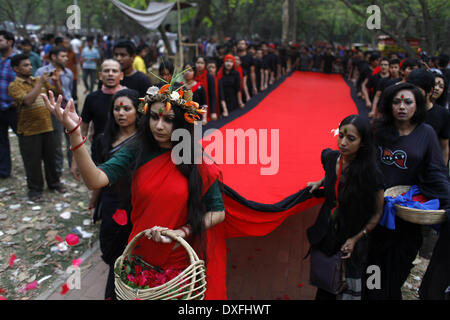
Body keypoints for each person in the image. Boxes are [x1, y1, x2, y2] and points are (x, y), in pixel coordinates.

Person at [41, 83, 226, 300]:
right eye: (154, 117)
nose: (159, 126)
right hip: (138, 256)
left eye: (168, 120)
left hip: (179, 260)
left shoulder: (196, 159)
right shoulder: (137, 149)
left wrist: (182, 232)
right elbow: (95, 180)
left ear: (183, 123)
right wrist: (74, 133)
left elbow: (218, 211)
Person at [365, 82, 450, 300]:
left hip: (406, 218)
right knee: (372, 270)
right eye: (396, 101)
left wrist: (447, 199)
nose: (402, 106)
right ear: (389, 105)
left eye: (408, 102)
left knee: (398, 270)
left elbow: (436, 171)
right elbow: (357, 161)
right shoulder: (377, 130)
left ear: (417, 106)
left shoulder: (426, 133)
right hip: (373, 214)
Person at [307, 114, 384, 300]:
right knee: (324, 286)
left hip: (352, 240)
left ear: (363, 143)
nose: (342, 142)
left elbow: (377, 213)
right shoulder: (331, 157)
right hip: (328, 234)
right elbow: (332, 174)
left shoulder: (371, 174)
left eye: (350, 139)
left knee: (346, 291)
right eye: (340, 135)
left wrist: (356, 239)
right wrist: (321, 181)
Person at [90, 88, 140, 300]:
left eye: (127, 108)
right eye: (117, 109)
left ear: (138, 112)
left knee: (131, 259)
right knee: (113, 256)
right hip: (111, 205)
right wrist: (94, 201)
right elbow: (98, 174)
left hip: (137, 205)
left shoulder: (146, 141)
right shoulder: (103, 140)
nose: (121, 113)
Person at [8, 54, 64, 201]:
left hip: (47, 126)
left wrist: (56, 82)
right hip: (29, 130)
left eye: (30, 65)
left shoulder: (38, 80)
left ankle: (54, 184)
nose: (30, 67)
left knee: (51, 158)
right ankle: (35, 190)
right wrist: (40, 84)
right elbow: (27, 101)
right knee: (32, 162)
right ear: (16, 68)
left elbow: (58, 95)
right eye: (25, 65)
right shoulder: (14, 86)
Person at [35, 46, 73, 177]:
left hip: (67, 107)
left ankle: (74, 166)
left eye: (66, 56)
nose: (66, 58)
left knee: (73, 139)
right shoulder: (42, 72)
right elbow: (38, 91)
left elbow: (70, 91)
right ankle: (57, 170)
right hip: (51, 110)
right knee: (56, 142)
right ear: (53, 57)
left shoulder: (68, 72)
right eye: (62, 56)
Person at [406, 69, 449, 164]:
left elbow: (444, 147)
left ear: (430, 91)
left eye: (418, 91)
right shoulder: (403, 110)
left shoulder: (443, 114)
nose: (412, 95)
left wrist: (442, 172)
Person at [0, 30, 17, 179]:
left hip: (14, 108)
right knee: (1, 141)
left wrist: (15, 102)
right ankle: (4, 171)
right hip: (1, 107)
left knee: (25, 139)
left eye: (1, 40)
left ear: (10, 42)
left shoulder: (18, 60)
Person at [194, 56, 217, 123]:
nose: (199, 65)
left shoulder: (209, 77)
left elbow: (212, 95)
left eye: (202, 63)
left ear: (205, 65)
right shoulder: (192, 76)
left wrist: (213, 112)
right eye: (198, 63)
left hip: (207, 106)